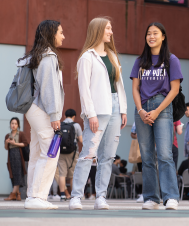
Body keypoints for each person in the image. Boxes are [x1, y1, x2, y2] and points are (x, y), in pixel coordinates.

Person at [70, 17, 128, 211]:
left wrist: (123, 109)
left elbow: (119, 85)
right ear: (98, 30)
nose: (111, 32)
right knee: (88, 154)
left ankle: (100, 197)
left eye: (111, 28)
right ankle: (76, 197)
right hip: (97, 110)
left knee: (108, 156)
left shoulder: (112, 55)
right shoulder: (87, 57)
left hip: (114, 108)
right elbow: (84, 89)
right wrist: (90, 114)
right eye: (108, 28)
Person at [131, 22, 182, 210]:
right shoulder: (140, 61)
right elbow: (135, 89)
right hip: (143, 110)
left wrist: (157, 111)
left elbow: (174, 89)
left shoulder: (171, 60)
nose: (151, 37)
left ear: (163, 36)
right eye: (148, 34)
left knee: (165, 154)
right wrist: (141, 111)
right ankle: (151, 198)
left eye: (155, 33)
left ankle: (170, 197)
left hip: (162, 110)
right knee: (146, 157)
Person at [21, 19, 65, 210]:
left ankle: (32, 195)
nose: (63, 36)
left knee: (38, 152)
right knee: (50, 153)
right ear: (51, 34)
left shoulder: (35, 56)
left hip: (32, 108)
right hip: (42, 109)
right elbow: (50, 89)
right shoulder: (48, 57)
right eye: (61, 32)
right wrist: (55, 115)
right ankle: (38, 196)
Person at [56, 109, 83, 201]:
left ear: (65, 115)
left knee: (62, 174)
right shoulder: (76, 125)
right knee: (72, 174)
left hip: (61, 152)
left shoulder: (59, 124)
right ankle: (73, 195)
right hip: (73, 153)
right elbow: (81, 140)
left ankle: (62, 195)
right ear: (74, 116)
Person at [4, 117, 29, 201]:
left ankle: (12, 194)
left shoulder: (21, 134)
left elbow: (25, 144)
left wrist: (15, 143)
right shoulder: (7, 135)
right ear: (10, 124)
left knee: (18, 174)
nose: (13, 125)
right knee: (13, 175)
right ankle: (18, 194)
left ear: (18, 125)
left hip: (19, 155)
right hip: (11, 155)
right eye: (12, 123)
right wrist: (7, 142)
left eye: (15, 123)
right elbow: (6, 148)